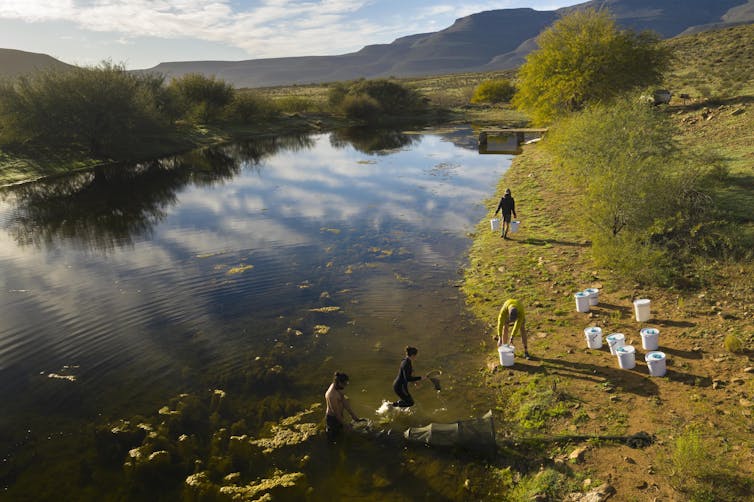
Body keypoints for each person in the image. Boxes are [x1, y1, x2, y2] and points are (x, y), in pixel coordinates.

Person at [324, 371, 361, 442]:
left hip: (339, 415)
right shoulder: (332, 395)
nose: (345, 386)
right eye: (344, 384)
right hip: (333, 419)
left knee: (342, 433)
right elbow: (336, 414)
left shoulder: (339, 387)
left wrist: (353, 415)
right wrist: (346, 425)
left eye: (347, 383)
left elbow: (344, 401)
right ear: (339, 382)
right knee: (334, 439)